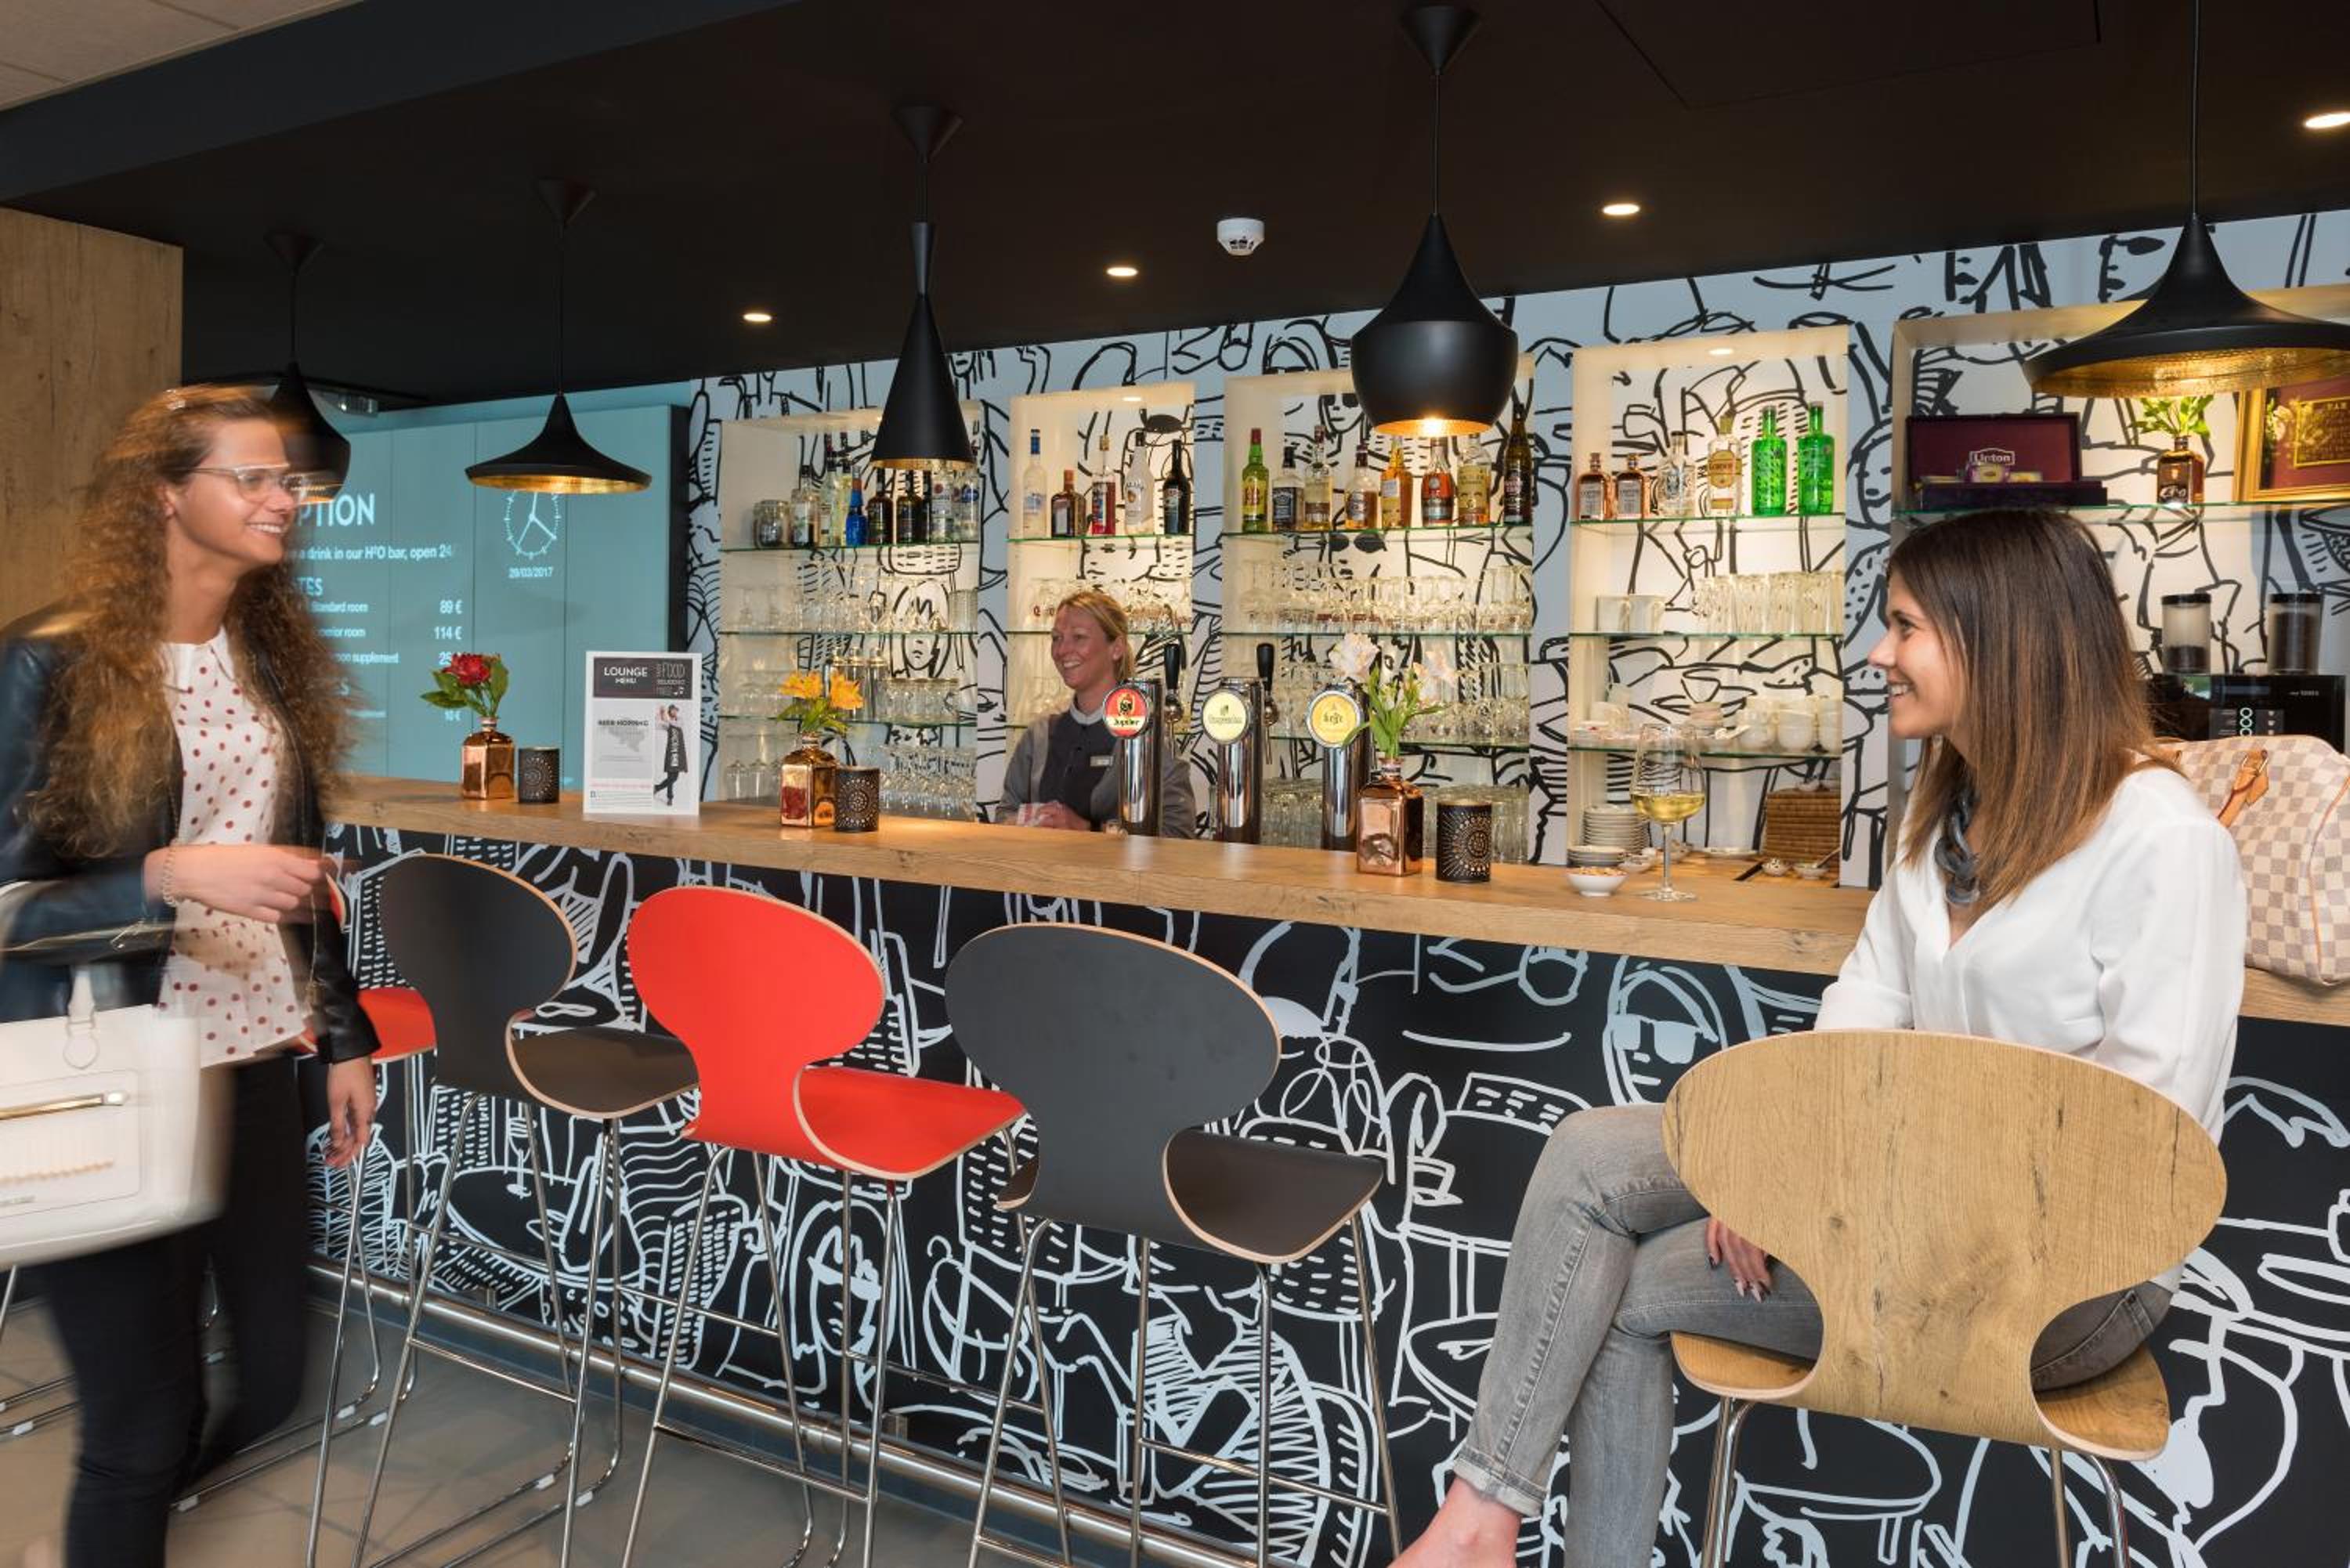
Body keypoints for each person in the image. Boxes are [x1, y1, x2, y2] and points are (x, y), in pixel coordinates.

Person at [1394, 508, 2244, 1566]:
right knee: (1588, 1154)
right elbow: (1863, 1005)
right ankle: (1479, 1517)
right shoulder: (1948, 818)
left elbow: (2144, 1150)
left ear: (2004, 640)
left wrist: (1824, 1202)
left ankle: (1486, 1529)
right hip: (1903, 1186)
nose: (1879, 653)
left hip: (2069, 1276)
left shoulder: (2164, 842)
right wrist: (1777, 1173)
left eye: (1907, 626)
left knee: (1617, 1295)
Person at [0, 386, 381, 1568]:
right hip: (110, 1066)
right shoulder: (50, 659)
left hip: (254, 1061)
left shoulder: (264, 657)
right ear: (166, 494)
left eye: (291, 482)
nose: (285, 500)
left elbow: (298, 874)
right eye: (253, 477)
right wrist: (166, 874)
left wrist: (344, 1031)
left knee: (271, 1383)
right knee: (138, 1425)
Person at [998, 587, 1196, 836]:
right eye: (1057, 638)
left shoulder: (1146, 735)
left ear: (1117, 648)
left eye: (1079, 637)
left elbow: (1179, 832)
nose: (1062, 650)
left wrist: (1087, 830)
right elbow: (1005, 816)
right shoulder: (1039, 734)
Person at [656, 703, 687, 804]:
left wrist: (666, 719)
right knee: (670, 776)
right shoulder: (667, 723)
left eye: (676, 710)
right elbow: (657, 725)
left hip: (679, 752)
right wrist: (660, 714)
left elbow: (677, 725)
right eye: (673, 710)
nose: (675, 712)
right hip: (671, 751)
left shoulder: (679, 720)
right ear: (669, 712)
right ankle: (670, 798)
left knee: (675, 778)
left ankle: (657, 788)